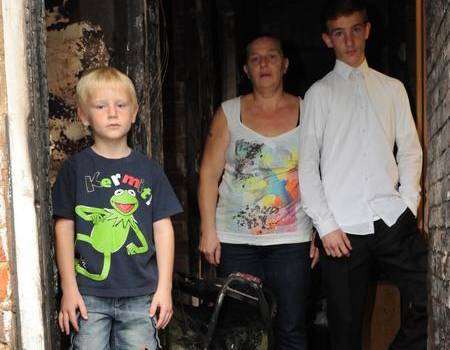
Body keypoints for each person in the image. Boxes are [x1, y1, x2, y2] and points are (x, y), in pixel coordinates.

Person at [299, 1, 428, 349]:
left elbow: (411, 150)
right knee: (345, 332)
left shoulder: (392, 89)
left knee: (430, 296)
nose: (350, 41)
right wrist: (325, 225)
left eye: (356, 30)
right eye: (339, 33)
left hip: (392, 220)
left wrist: (408, 205)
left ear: (367, 30)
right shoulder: (318, 95)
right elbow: (307, 166)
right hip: (341, 232)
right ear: (328, 40)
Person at [198, 35, 318, 350]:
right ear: (246, 69)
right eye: (255, 58)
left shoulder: (308, 111)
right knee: (241, 332)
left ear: (285, 64)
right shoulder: (228, 113)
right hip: (236, 242)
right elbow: (209, 174)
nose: (264, 64)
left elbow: (318, 175)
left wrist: (318, 230)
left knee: (291, 328)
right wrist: (208, 230)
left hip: (292, 241)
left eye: (272, 57)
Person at [52, 67, 182, 349]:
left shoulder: (149, 170)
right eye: (101, 106)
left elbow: (163, 230)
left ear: (134, 113)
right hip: (88, 295)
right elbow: (64, 229)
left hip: (141, 294)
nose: (113, 113)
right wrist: (69, 288)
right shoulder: (74, 170)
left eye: (121, 105)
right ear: (83, 116)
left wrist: (165, 288)